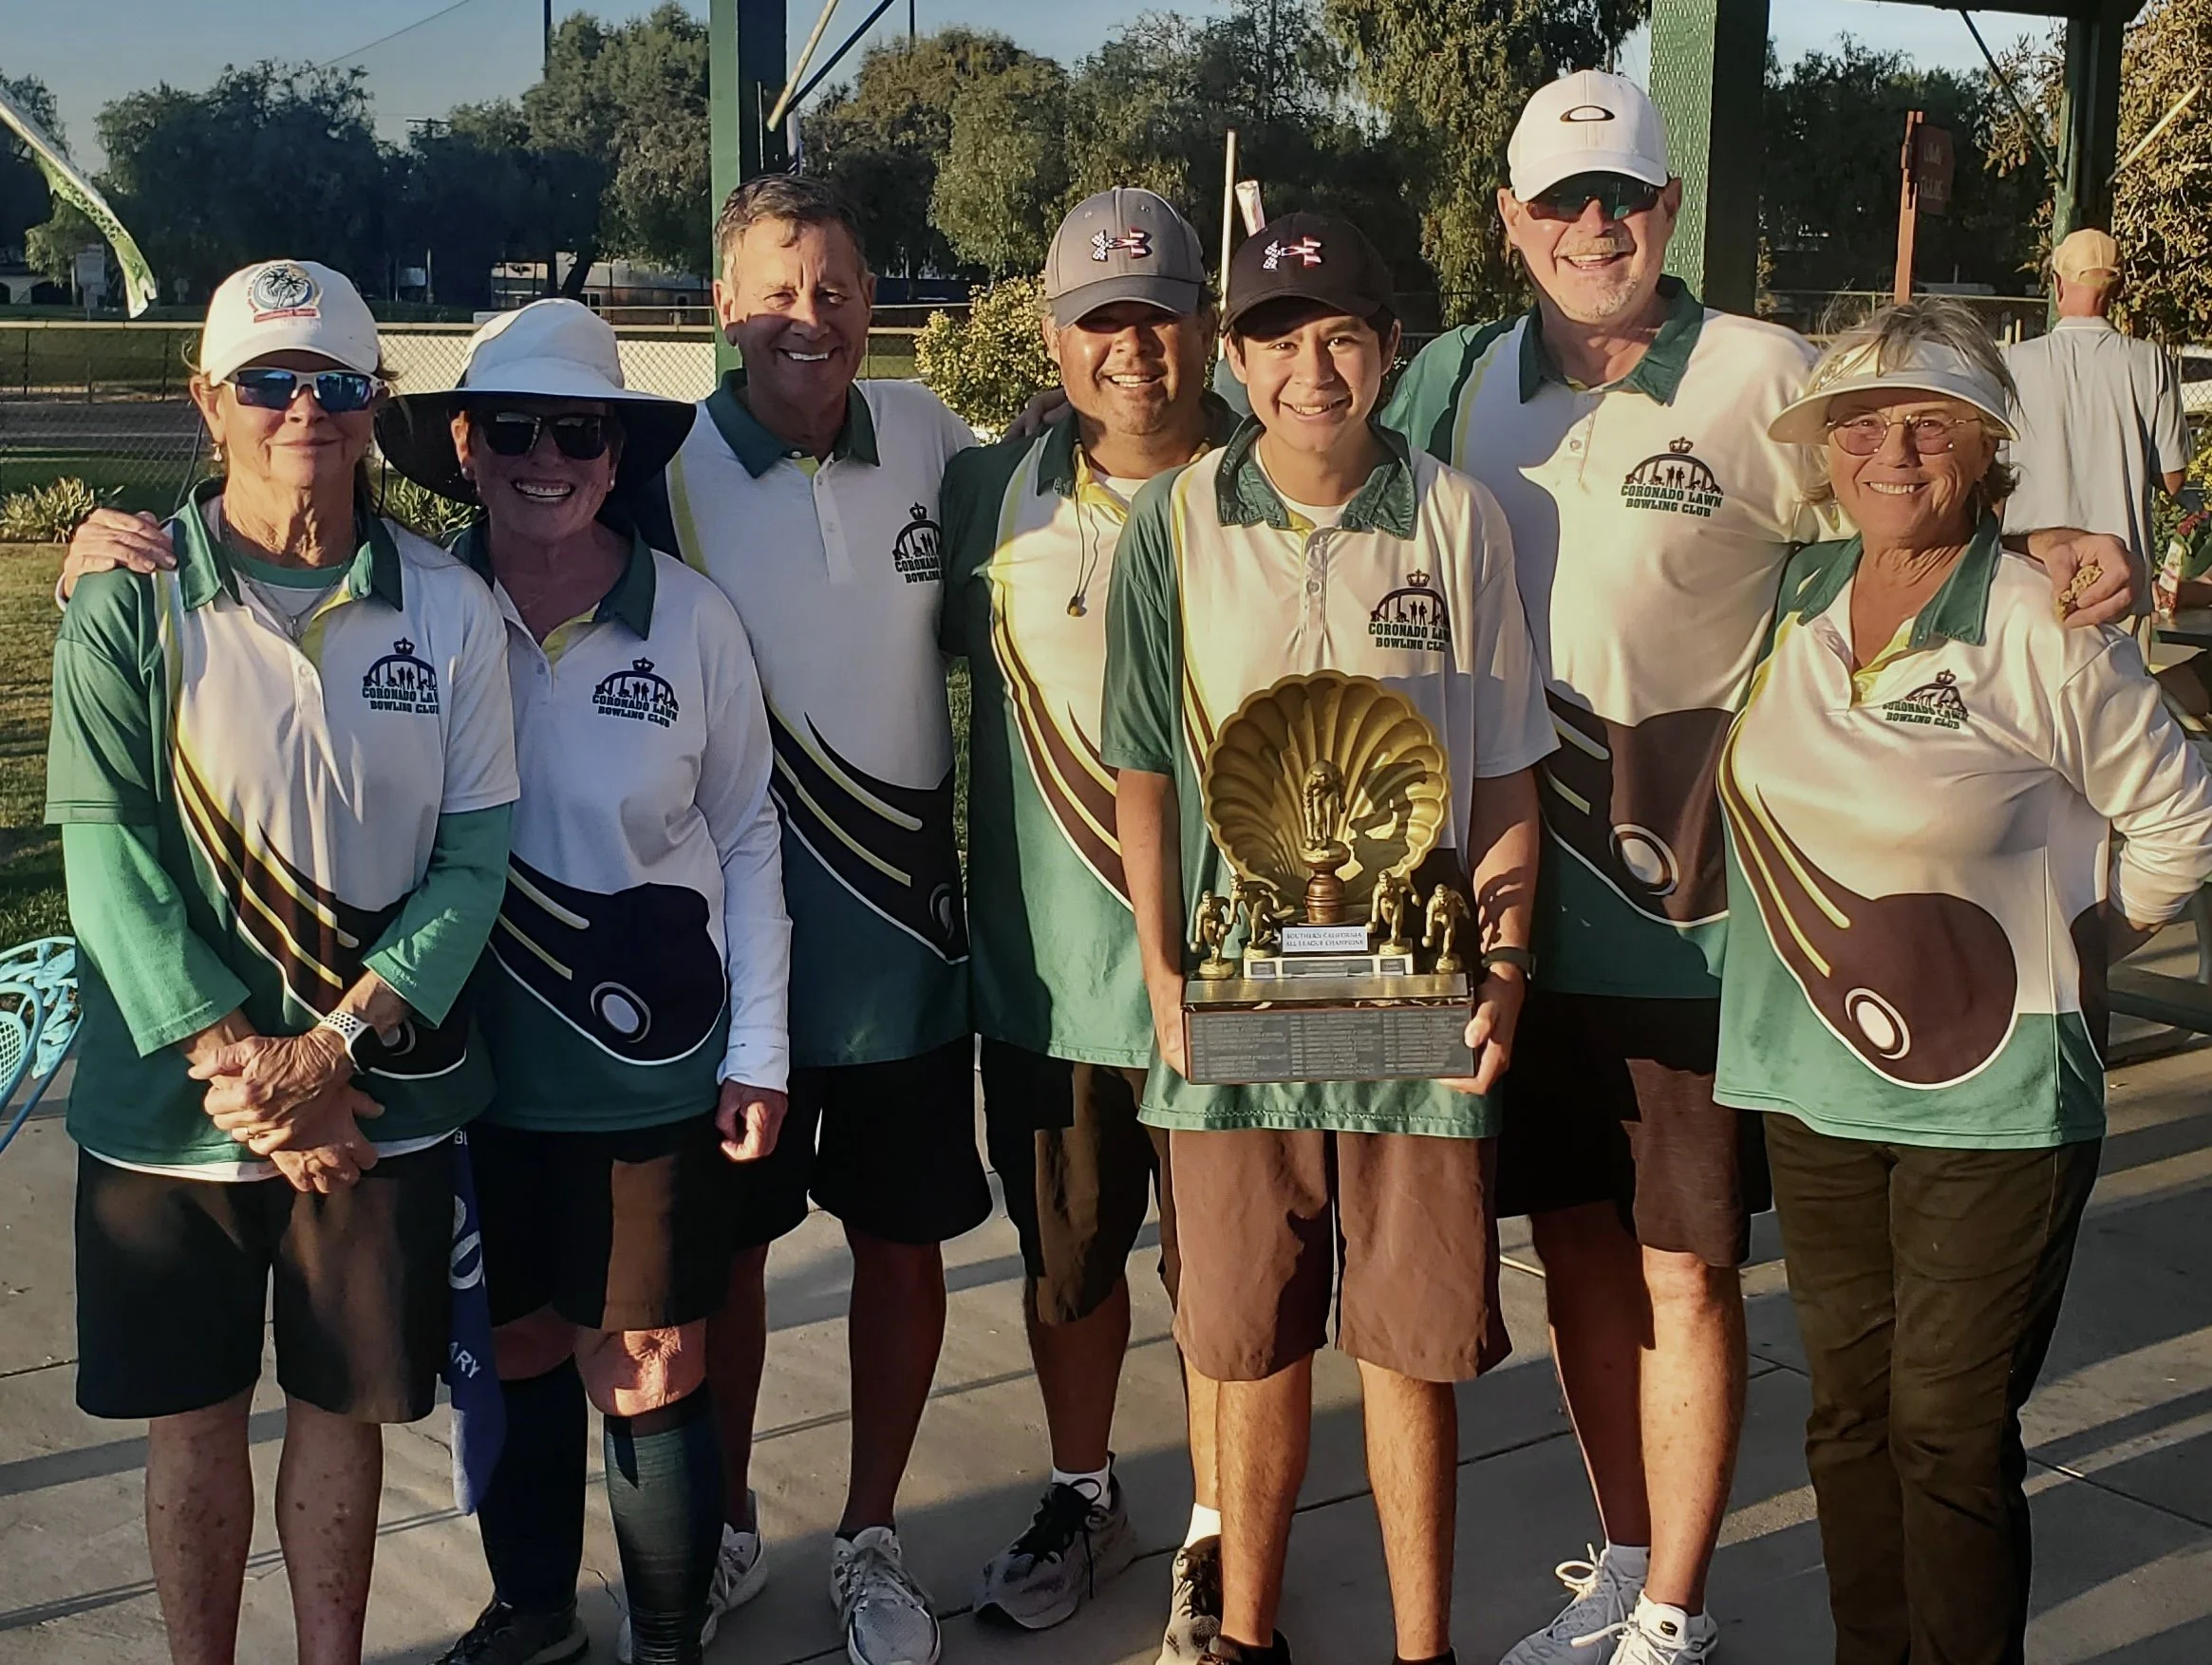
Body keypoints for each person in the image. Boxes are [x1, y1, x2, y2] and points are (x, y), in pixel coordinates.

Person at [1383, 70, 2141, 1665]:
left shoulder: (1756, 369)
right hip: (1516, 913)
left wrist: (2051, 545)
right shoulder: (1455, 378)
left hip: (1698, 920)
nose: (1598, 226)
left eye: (1628, 198)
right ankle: (1626, 1550)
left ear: (1666, 209)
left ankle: (1676, 1604)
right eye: (1565, 201)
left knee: (1689, 1262)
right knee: (1583, 1244)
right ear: (1509, 220)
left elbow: (1899, 505)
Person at [1719, 298, 2212, 1665]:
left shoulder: (2038, 621)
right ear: (1822, 449)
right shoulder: (1791, 593)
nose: (1890, 449)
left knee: (1943, 1426)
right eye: (1859, 423)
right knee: (1846, 1414)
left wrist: (2082, 941)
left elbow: (2183, 820)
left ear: (1984, 446)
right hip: (1810, 1085)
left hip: (1993, 1112)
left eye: (1928, 421)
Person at [49, 258, 518, 1665]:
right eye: (267, 381)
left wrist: (330, 1053)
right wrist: (234, 1063)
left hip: (378, 1104)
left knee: (344, 1409)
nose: (300, 408)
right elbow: (105, 849)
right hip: (168, 1121)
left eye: (333, 382)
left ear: (375, 406)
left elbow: (472, 861)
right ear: (208, 404)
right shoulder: (124, 603)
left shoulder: (448, 605)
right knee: (189, 1423)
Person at [1103, 210, 1556, 1665]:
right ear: (1232, 356)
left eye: (1345, 334)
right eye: (1281, 336)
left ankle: (1421, 1649)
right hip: (1237, 987)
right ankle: (1243, 1635)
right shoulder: (1172, 526)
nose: (1315, 366)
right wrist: (1162, 967)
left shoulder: (1455, 517)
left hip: (1413, 983)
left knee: (1412, 1345)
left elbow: (1498, 769)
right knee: (1244, 1342)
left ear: (1387, 350)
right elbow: (1143, 767)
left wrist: (1504, 962)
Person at [374, 300, 787, 1665]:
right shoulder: (417, 606)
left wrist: (761, 1050)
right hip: (476, 1070)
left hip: (652, 1075)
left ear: (616, 456)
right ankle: (538, 1613)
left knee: (653, 1359)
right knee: (527, 1343)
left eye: (578, 430)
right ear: (464, 445)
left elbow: (743, 833)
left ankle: (665, 1634)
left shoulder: (694, 619)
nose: (543, 456)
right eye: (512, 427)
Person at [647, 173, 986, 1665]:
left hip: (905, 950)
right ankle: (728, 1529)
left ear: (872, 302)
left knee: (900, 1241)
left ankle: (869, 1538)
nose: (812, 312)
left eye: (839, 284)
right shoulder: (657, 474)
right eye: (779, 286)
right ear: (725, 305)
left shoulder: (927, 434)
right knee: (728, 1259)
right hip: (729, 967)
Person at [942, 186, 1237, 1660]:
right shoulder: (992, 491)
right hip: (1053, 978)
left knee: (1227, 1276)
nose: (1133, 348)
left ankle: (1216, 1528)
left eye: (1159, 315)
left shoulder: (1277, 484)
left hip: (1243, 978)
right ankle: (1084, 1489)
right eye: (1099, 321)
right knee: (1067, 1263)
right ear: (1055, 341)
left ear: (1207, 325)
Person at [2003, 228, 2189, 574]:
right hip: (2121, 577)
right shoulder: (2149, 362)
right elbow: (2173, 479)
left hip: (2031, 571)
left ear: (2058, 284)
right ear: (2117, 290)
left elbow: (1993, 478)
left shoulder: (2013, 363)